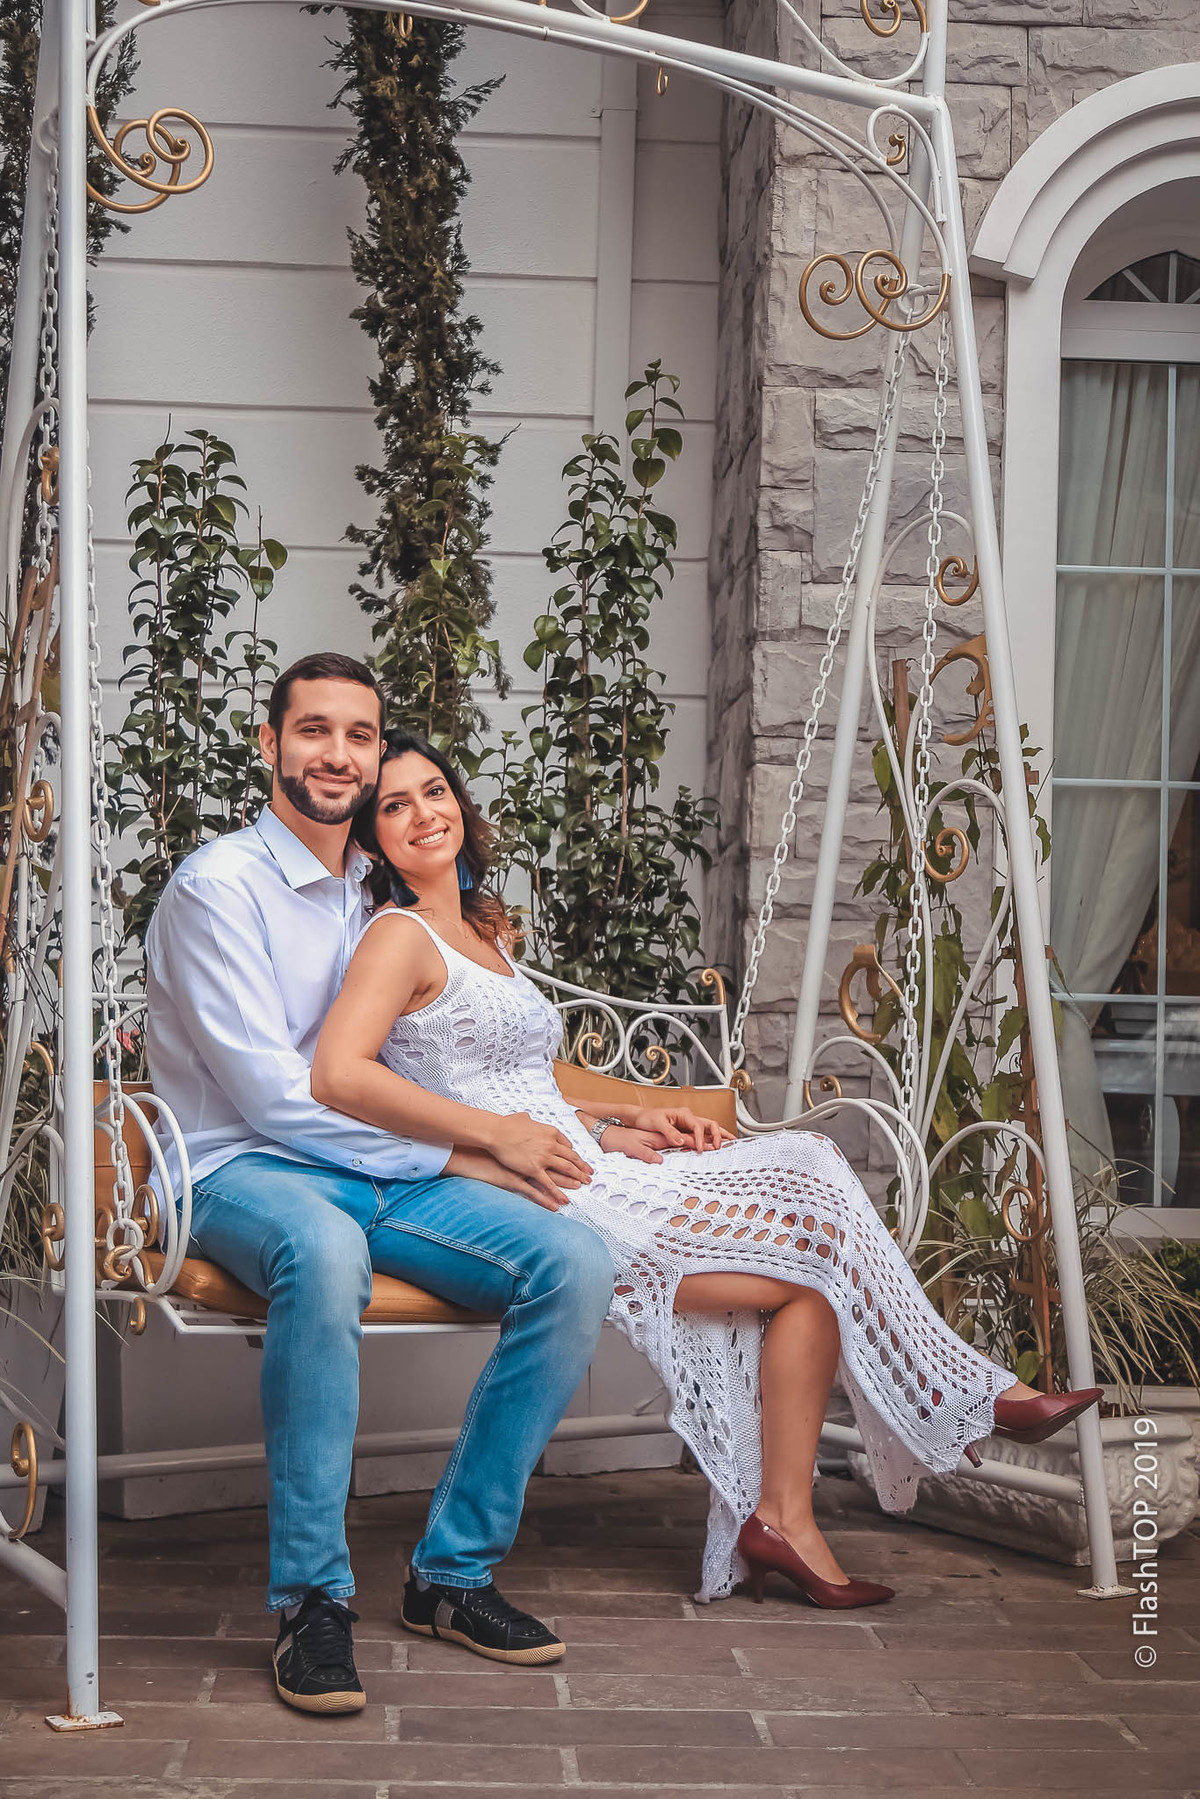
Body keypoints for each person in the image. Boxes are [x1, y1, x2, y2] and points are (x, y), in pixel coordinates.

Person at [313, 729, 1103, 1610]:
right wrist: (501, 1138)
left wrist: (620, 1120)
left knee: (810, 1273)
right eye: (395, 805)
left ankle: (785, 1521)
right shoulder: (398, 937)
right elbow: (343, 1073)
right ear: (372, 838)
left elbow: (525, 1083)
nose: (424, 813)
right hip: (539, 1199)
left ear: (459, 800)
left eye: (434, 790)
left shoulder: (483, 932)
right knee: (808, 1189)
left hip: (580, 1162)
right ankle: (967, 1390)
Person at [145, 654, 616, 1716]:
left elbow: (448, 1050)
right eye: (314, 731)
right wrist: (465, 1150)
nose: (339, 755)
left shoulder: (375, 887)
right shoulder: (217, 887)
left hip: (372, 1169)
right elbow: (274, 1096)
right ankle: (312, 1597)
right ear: (269, 745)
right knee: (323, 1248)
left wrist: (596, 1115)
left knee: (575, 1258)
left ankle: (451, 1574)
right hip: (237, 1170)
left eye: (360, 734)